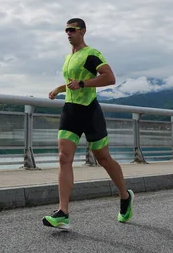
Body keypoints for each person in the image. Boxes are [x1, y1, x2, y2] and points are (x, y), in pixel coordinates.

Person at [42, 18, 134, 230]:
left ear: (82, 31)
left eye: (72, 30)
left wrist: (83, 83)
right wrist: (59, 89)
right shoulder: (69, 57)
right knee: (64, 158)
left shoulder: (92, 54)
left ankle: (124, 196)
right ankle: (63, 212)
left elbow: (109, 78)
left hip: (89, 111)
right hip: (70, 111)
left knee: (103, 158)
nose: (68, 33)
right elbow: (73, 83)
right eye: (66, 30)